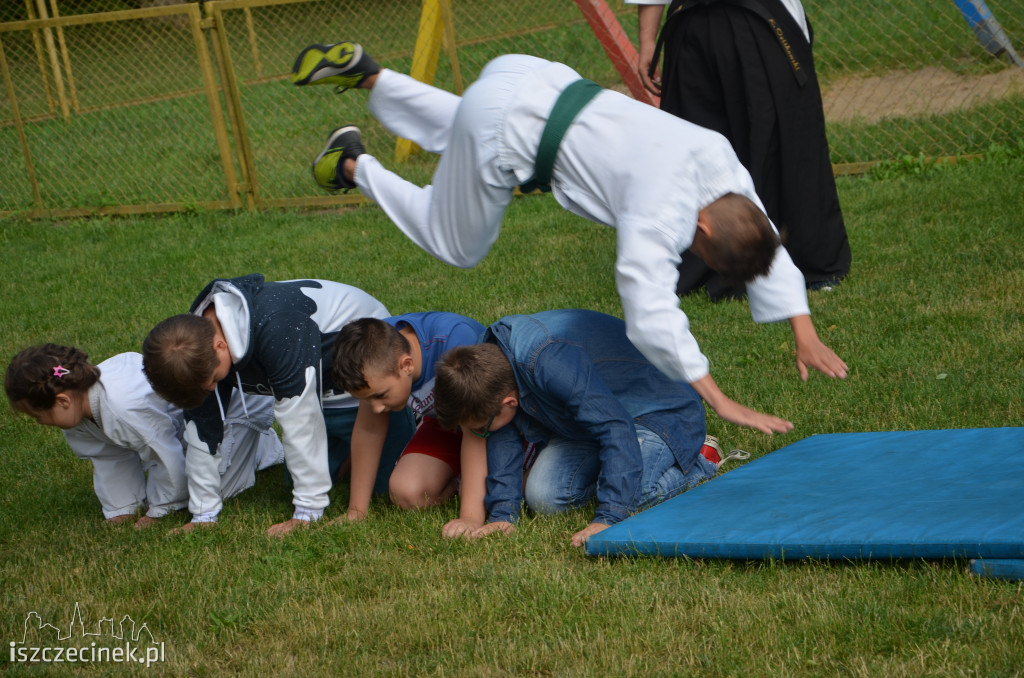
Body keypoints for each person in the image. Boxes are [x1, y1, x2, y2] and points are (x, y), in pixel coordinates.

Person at [289, 43, 847, 437]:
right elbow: (652, 315)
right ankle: (353, 166)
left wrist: (803, 328)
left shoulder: (718, 159)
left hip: (528, 78)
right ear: (700, 231)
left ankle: (370, 78)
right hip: (505, 131)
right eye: (696, 251)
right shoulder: (658, 217)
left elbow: (760, 234)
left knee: (466, 124)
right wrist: (721, 400)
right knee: (457, 244)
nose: (690, 252)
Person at [141, 274, 415, 537]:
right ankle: (345, 455)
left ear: (220, 344)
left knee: (388, 490)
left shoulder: (278, 329)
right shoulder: (196, 344)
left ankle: (401, 428)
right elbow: (201, 426)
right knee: (296, 484)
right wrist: (203, 515)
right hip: (316, 390)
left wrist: (307, 512)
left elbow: (300, 420)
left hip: (368, 389)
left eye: (213, 380)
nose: (213, 389)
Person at [432, 309, 717, 547]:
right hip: (589, 423)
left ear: (507, 402)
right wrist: (503, 515)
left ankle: (697, 462)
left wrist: (607, 518)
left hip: (659, 412)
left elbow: (615, 427)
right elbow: (503, 436)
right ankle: (621, 472)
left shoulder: (547, 360)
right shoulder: (491, 365)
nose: (481, 435)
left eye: (481, 429)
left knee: (633, 495)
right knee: (545, 497)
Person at [630, 0, 851, 297]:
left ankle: (812, 262)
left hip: (760, 17)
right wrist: (647, 41)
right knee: (695, 147)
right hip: (691, 22)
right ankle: (714, 261)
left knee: (788, 140)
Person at [4, 344, 284, 528]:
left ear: (63, 401)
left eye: (37, 416)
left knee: (211, 489)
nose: (40, 423)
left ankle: (261, 448)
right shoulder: (79, 411)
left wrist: (160, 509)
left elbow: (165, 456)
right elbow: (107, 456)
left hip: (232, 406)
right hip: (187, 420)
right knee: (191, 462)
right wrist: (121, 509)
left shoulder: (121, 407)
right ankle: (235, 450)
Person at [330, 312, 486, 527]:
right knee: (407, 492)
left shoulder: (457, 343)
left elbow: (476, 431)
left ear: (407, 365)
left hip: (489, 427)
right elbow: (368, 430)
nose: (376, 408)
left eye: (380, 396)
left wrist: (469, 518)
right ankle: (464, 481)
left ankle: (482, 484)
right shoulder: (374, 354)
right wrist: (357, 511)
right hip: (445, 425)